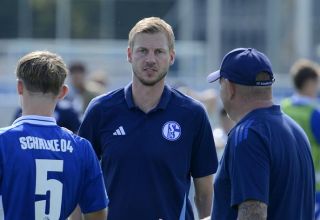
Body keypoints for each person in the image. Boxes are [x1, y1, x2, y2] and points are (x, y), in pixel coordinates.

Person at [79, 17, 218, 220]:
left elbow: (204, 193)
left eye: (159, 52)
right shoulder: (101, 110)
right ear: (129, 54)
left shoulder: (192, 114)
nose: (150, 59)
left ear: (171, 57)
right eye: (142, 51)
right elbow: (80, 180)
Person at [207, 48, 315, 219]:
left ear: (229, 88)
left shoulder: (248, 135)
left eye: (220, 84)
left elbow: (253, 214)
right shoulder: (295, 130)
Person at [0, 51, 108, 219]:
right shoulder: (82, 148)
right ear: (63, 92)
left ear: (19, 87)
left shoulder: (3, 142)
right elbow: (97, 213)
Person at [281, 59, 320, 190]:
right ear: (309, 83)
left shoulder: (282, 107)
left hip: (286, 182)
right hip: (313, 185)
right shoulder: (314, 113)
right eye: (316, 82)